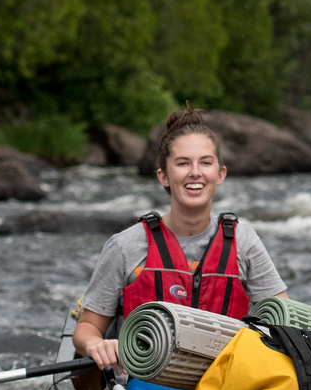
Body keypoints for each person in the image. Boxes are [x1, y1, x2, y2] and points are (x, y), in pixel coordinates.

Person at [74, 109, 288, 370]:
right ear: (163, 175)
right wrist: (95, 344)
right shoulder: (124, 246)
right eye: (183, 163)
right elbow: (87, 327)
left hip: (225, 386)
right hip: (138, 387)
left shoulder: (244, 242)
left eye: (205, 163)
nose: (195, 172)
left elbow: (283, 319)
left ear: (220, 174)